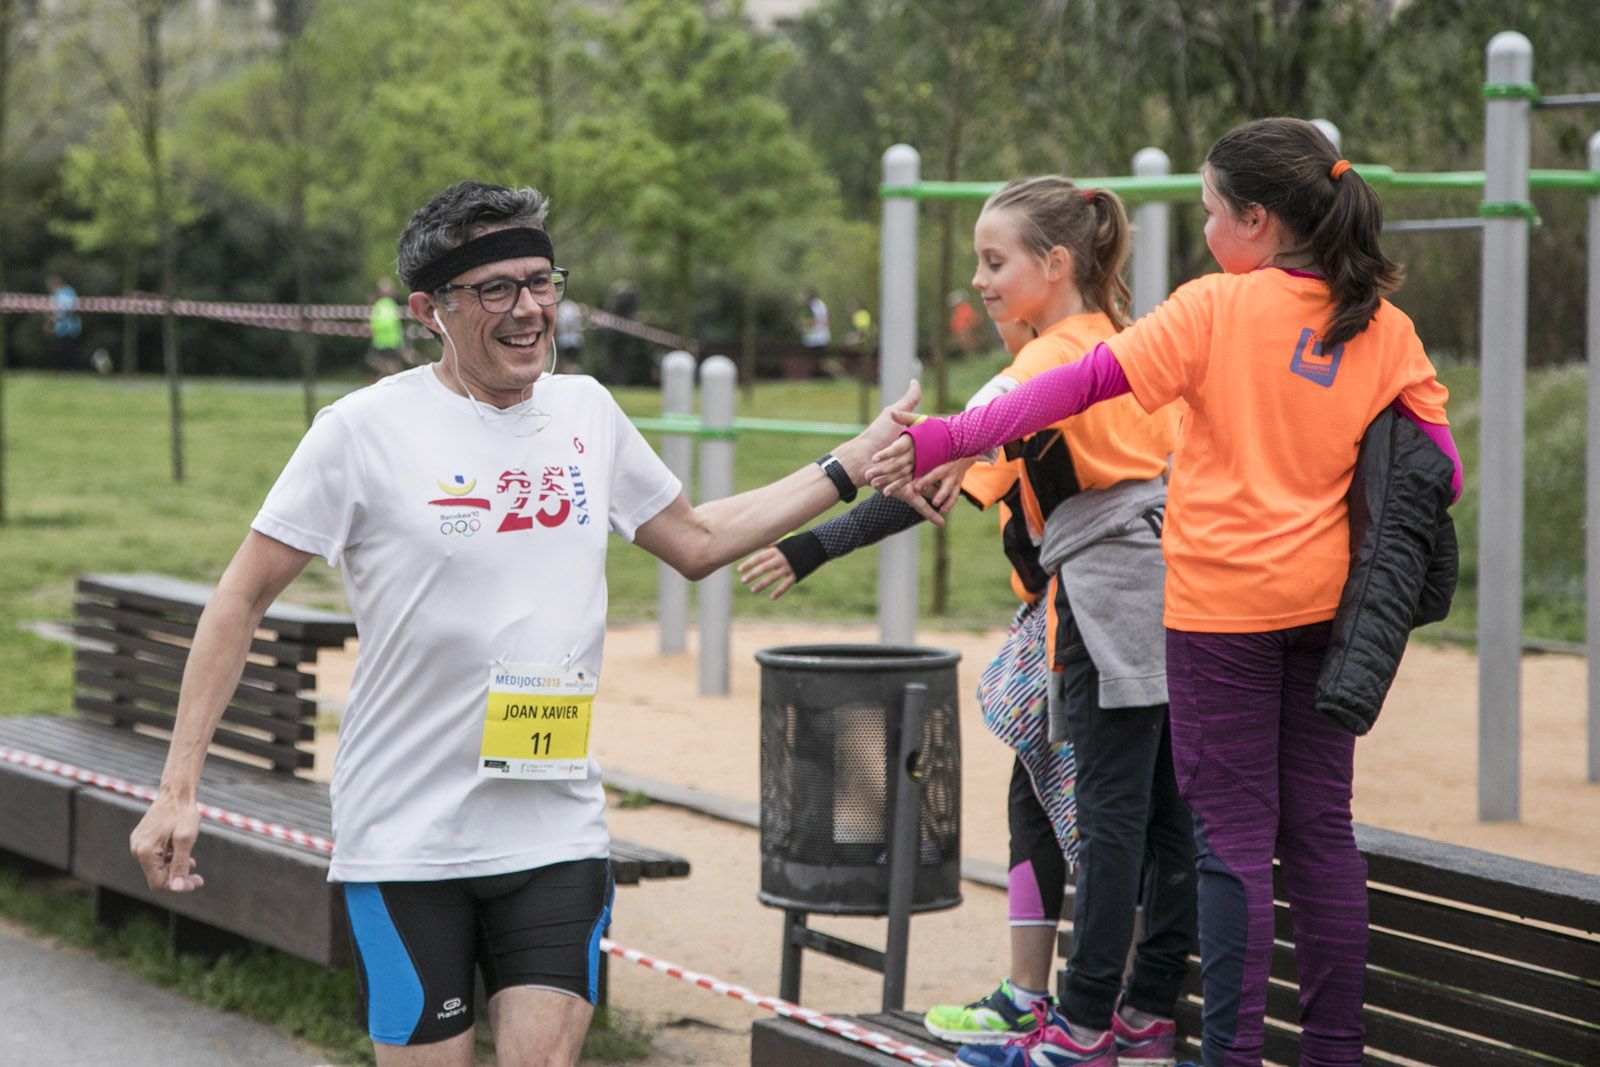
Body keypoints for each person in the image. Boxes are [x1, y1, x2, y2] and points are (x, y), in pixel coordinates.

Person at [127, 179, 920, 1067]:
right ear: (431, 309)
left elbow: (695, 540)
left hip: (553, 825)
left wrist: (847, 465)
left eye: (542, 282)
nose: (530, 309)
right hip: (405, 836)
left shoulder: (585, 412)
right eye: (496, 288)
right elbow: (238, 597)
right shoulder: (360, 431)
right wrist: (178, 786)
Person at [869, 119, 1463, 1067]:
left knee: (1230, 842)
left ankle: (1225, 1055)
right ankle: (1333, 1054)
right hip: (1329, 618)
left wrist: (943, 435)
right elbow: (1443, 471)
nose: (1205, 230)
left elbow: (1063, 390)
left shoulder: (1211, 309)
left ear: (1258, 221)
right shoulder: (1386, 328)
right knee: (1319, 835)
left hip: (1219, 617)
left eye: (1212, 212)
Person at [761, 176, 1199, 1067]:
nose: (980, 283)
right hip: (1164, 598)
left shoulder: (1045, 366)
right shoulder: (1120, 347)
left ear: (1057, 263)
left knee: (1097, 810)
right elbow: (953, 471)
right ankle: (1128, 1009)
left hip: (1095, 604)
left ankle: (1066, 1015)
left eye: (995, 263)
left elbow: (932, 459)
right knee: (1151, 813)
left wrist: (815, 540)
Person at [366, 278, 409, 376]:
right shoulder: (389, 304)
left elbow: (384, 322)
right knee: (388, 363)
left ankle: (398, 379)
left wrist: (373, 327)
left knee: (390, 364)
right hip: (386, 339)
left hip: (386, 340)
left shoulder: (384, 304)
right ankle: (392, 378)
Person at [46, 273, 83, 371]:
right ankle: (63, 370)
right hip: (61, 328)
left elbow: (69, 309)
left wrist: (52, 321)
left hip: (70, 327)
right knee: (61, 350)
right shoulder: (56, 294)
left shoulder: (67, 292)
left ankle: (70, 369)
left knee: (69, 350)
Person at [554, 297, 584, 372]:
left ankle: (568, 369)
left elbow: (560, 323)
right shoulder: (573, 306)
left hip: (565, 338)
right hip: (574, 338)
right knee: (571, 358)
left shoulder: (562, 307)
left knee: (565, 358)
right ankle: (571, 369)